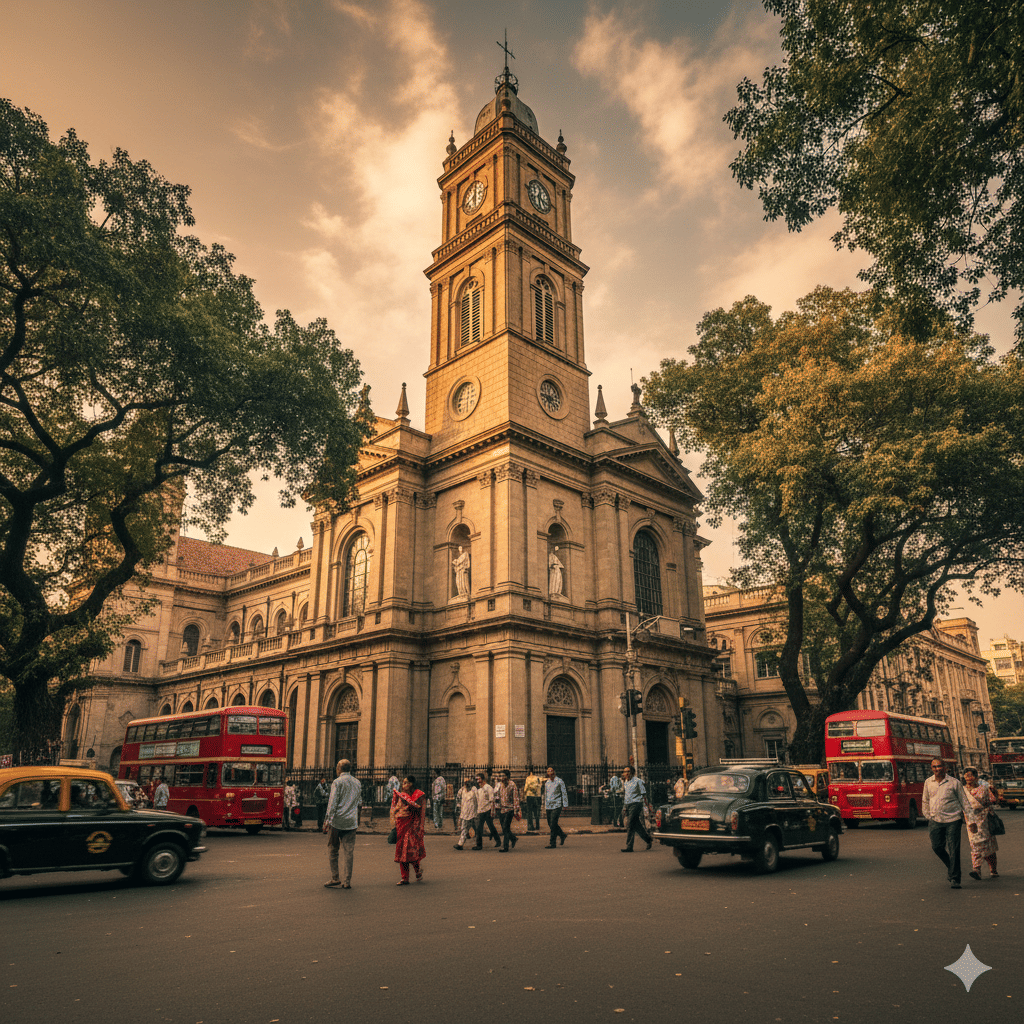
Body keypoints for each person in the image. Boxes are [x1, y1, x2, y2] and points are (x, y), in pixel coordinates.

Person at [922, 758, 973, 888]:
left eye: (939, 766)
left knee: (953, 848)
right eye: (934, 767)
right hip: (935, 820)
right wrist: (928, 816)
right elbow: (925, 800)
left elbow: (964, 801)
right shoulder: (928, 782)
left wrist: (971, 820)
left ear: (944, 767)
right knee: (937, 847)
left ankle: (955, 878)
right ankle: (952, 867)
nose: (937, 769)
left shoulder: (954, 783)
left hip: (953, 820)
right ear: (931, 768)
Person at [323, 759, 361, 889]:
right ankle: (347, 881)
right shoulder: (357, 782)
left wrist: (327, 821)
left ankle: (335, 877)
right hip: (351, 822)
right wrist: (357, 818)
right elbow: (359, 802)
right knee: (349, 852)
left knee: (333, 849)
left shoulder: (337, 782)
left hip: (337, 822)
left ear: (339, 769)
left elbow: (332, 803)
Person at [962, 767, 999, 879]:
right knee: (975, 844)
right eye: (966, 776)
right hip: (971, 821)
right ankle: (976, 869)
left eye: (970, 775)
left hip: (985, 820)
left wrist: (993, 792)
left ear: (976, 777)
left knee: (989, 846)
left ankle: (993, 869)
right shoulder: (962, 790)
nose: (968, 778)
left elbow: (993, 800)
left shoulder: (984, 789)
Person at [391, 775, 427, 884]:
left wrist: (421, 827)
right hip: (401, 825)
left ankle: (417, 870)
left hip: (412, 826)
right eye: (403, 783)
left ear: (411, 784)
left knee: (411, 850)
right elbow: (395, 809)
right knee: (402, 851)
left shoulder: (419, 795)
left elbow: (422, 813)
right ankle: (404, 878)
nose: (403, 785)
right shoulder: (401, 795)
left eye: (406, 782)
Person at [620, 765, 653, 852]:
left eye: (627, 771)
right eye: (624, 771)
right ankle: (648, 839)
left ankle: (629, 846)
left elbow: (644, 794)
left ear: (632, 773)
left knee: (630, 823)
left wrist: (647, 806)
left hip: (636, 803)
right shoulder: (626, 782)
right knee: (636, 825)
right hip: (628, 804)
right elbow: (627, 795)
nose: (625, 773)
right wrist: (625, 807)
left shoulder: (638, 781)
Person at [494, 770, 521, 852]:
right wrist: (496, 807)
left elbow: (515, 797)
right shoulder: (499, 785)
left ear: (507, 777)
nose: (501, 778)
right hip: (501, 808)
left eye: (503, 776)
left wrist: (516, 810)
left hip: (510, 809)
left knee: (506, 827)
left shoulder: (512, 785)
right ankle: (513, 838)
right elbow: (496, 796)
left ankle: (505, 846)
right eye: (500, 776)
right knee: (504, 828)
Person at [473, 772, 501, 849]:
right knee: (479, 828)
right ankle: (479, 845)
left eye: (479, 779)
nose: (477, 781)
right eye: (476, 779)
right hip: (480, 810)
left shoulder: (488, 788)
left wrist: (492, 811)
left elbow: (492, 800)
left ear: (482, 779)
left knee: (491, 826)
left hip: (487, 810)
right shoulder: (479, 789)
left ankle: (498, 840)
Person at [544, 766, 568, 847]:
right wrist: (544, 805)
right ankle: (562, 835)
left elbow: (564, 793)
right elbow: (545, 794)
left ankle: (552, 843)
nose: (549, 773)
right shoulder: (547, 783)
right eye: (548, 771)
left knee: (553, 823)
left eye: (551, 771)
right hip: (548, 805)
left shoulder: (559, 781)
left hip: (557, 804)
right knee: (550, 824)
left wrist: (565, 804)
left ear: (554, 772)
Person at [453, 778, 477, 850]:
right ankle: (460, 844)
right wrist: (458, 807)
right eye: (465, 782)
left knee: (475, 828)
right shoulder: (462, 790)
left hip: (473, 812)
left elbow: (478, 799)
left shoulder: (474, 790)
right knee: (464, 828)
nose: (466, 784)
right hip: (465, 812)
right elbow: (458, 798)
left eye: (468, 782)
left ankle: (478, 843)